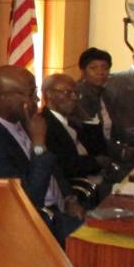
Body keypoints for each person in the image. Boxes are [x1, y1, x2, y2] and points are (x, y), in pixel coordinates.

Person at [0, 65, 82, 247]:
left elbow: (54, 170)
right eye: (30, 95)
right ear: (5, 98)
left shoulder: (23, 119)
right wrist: (38, 145)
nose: (37, 99)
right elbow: (29, 200)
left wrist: (69, 197)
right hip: (37, 226)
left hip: (60, 211)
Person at [40, 73, 113, 207]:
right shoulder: (44, 125)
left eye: (76, 93)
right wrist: (95, 162)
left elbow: (99, 149)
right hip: (78, 187)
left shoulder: (72, 120)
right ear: (49, 94)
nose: (74, 98)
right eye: (68, 93)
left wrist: (88, 119)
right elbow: (63, 165)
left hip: (97, 177)